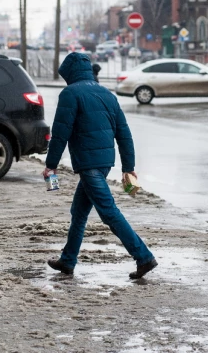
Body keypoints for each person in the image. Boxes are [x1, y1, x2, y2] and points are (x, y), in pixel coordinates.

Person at [43, 52, 157, 279]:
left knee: (108, 211)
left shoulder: (70, 93)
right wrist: (128, 167)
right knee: (79, 212)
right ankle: (67, 261)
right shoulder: (107, 94)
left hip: (88, 164)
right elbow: (124, 134)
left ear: (69, 73)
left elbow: (60, 134)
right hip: (104, 163)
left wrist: (51, 164)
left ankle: (143, 257)